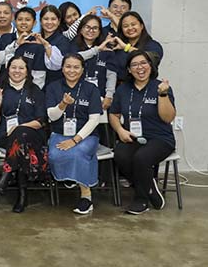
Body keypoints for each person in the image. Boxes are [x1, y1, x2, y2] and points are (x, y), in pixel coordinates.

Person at [109, 51, 176, 215]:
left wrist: (163, 95)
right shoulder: (123, 89)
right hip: (133, 137)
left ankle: (141, 199)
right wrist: (119, 130)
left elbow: (168, 118)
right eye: (134, 65)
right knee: (120, 155)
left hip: (160, 138)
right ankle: (150, 186)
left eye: (143, 63)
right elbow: (114, 114)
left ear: (150, 66)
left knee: (141, 158)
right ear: (129, 70)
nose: (140, 68)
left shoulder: (161, 87)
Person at [45, 53, 102, 215]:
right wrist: (62, 104)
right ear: (62, 68)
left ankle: (86, 196)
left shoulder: (91, 89)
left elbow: (94, 119)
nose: (72, 70)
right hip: (59, 132)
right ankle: (71, 177)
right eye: (68, 66)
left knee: (77, 153)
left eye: (76, 67)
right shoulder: (53, 87)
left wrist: (75, 140)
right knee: (55, 155)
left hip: (86, 135)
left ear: (82, 69)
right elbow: (51, 116)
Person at [0, 56, 48, 213]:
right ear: (8, 69)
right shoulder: (0, 90)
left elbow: (41, 121)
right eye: (13, 67)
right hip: (5, 138)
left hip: (33, 135)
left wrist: (19, 128)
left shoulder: (36, 91)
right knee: (21, 146)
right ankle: (22, 195)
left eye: (21, 68)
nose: (17, 71)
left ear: (27, 71)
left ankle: (7, 174)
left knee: (22, 136)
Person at [0, 7, 62, 89]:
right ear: (15, 21)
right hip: (5, 86)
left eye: (27, 20)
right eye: (20, 19)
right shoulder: (6, 38)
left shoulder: (38, 41)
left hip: (29, 90)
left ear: (34, 23)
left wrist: (33, 91)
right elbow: (0, 60)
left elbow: (39, 72)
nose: (23, 23)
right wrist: (16, 44)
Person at [67, 14, 116, 110]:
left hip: (100, 97)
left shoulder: (107, 49)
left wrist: (109, 95)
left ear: (99, 32)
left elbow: (111, 74)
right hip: (75, 96)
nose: (91, 31)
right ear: (81, 29)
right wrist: (97, 49)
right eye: (87, 27)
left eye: (95, 28)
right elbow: (74, 59)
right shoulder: (72, 46)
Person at [112, 12, 163, 85]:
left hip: (145, 88)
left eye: (133, 24)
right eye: (125, 26)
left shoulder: (153, 45)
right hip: (120, 90)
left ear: (141, 26)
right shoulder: (117, 46)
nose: (130, 28)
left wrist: (126, 47)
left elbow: (152, 58)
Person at [38, 5, 72, 87]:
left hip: (55, 87)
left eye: (53, 19)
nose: (49, 22)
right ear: (40, 21)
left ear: (59, 21)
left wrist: (47, 46)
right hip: (33, 87)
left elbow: (59, 65)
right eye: (46, 19)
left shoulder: (63, 41)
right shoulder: (34, 39)